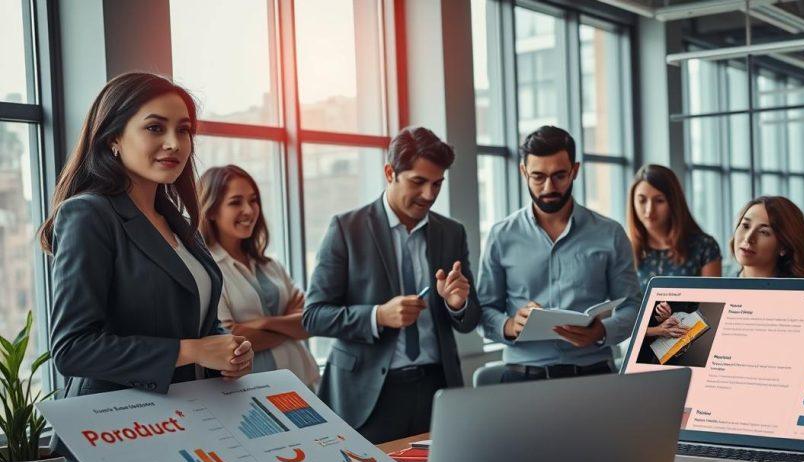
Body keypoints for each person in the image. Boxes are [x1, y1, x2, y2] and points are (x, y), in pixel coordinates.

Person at [40, 73, 253, 462]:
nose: (174, 143)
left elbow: (193, 317)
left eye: (184, 130)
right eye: (155, 128)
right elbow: (73, 348)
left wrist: (228, 351)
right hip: (117, 434)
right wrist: (194, 350)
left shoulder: (176, 221)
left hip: (185, 425)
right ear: (113, 138)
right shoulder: (89, 214)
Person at [302, 127, 481, 443]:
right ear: (390, 173)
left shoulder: (451, 233)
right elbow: (313, 316)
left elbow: (469, 321)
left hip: (435, 389)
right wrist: (378, 316)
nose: (429, 194)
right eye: (418, 182)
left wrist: (458, 304)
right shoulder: (347, 229)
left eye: (437, 184)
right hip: (368, 396)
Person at [477, 126, 642, 382]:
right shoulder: (501, 235)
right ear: (523, 172)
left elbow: (633, 305)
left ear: (574, 171)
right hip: (523, 378)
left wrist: (602, 330)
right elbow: (484, 309)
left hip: (593, 374)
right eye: (538, 176)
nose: (548, 187)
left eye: (559, 176)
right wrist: (509, 326)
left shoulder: (610, 233)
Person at [198, 164, 320, 391]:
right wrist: (288, 327)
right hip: (252, 390)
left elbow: (310, 322)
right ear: (212, 210)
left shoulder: (271, 265)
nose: (249, 210)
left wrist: (262, 324)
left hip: (303, 381)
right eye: (235, 202)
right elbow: (230, 340)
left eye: (253, 200)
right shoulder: (208, 270)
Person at [627, 163, 722, 288]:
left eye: (659, 201)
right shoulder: (625, 249)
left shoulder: (704, 247)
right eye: (642, 201)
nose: (649, 210)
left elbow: (712, 303)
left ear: (673, 202)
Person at [729, 196, 804, 278]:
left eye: (763, 232)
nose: (748, 238)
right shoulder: (721, 291)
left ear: (783, 247)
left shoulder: (799, 294)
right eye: (745, 226)